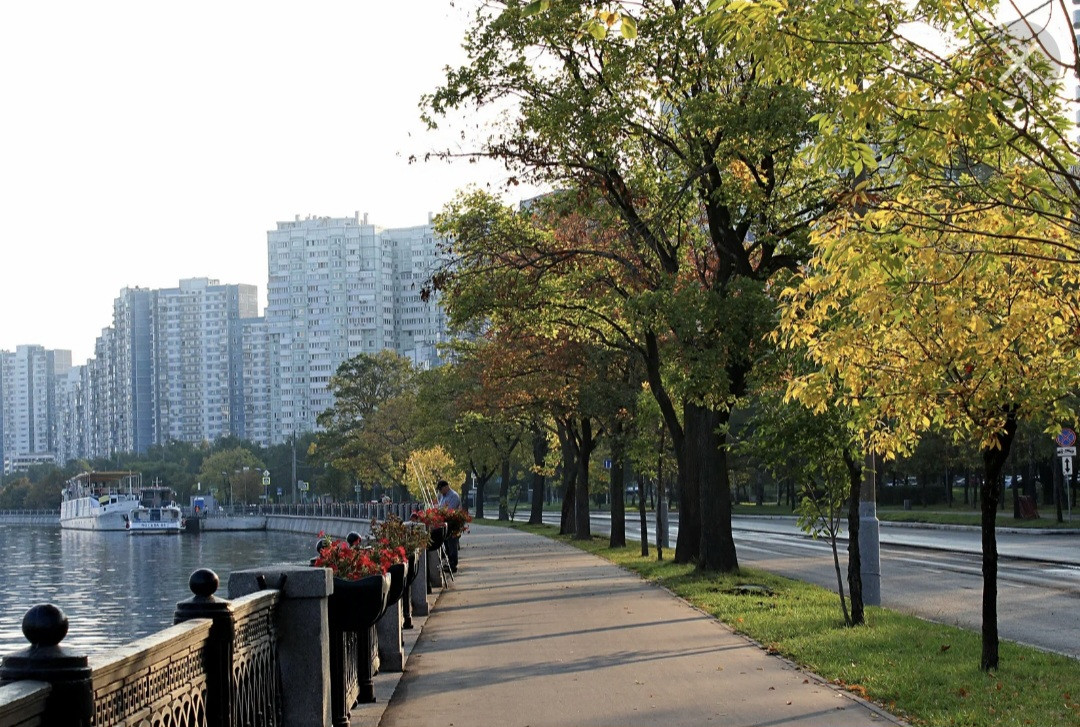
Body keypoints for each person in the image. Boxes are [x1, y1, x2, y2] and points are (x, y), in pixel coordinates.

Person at [436, 480, 461, 573]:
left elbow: (450, 511)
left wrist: (441, 512)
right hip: (445, 525)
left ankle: (453, 564)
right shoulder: (443, 496)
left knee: (452, 545)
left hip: (452, 525)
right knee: (447, 545)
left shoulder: (453, 496)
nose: (440, 491)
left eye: (441, 489)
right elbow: (441, 508)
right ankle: (449, 563)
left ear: (446, 487)